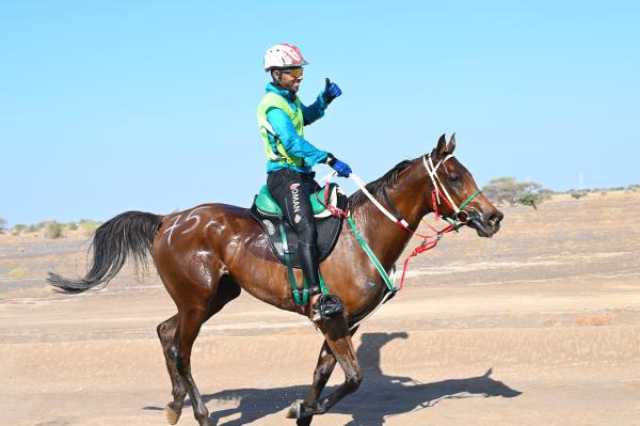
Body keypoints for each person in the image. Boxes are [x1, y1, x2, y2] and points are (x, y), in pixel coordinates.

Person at [257, 43, 352, 321]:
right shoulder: (273, 106)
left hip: (302, 175)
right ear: (276, 74)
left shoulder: (289, 99)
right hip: (284, 177)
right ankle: (315, 297)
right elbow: (292, 142)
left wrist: (324, 100)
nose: (299, 76)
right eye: (294, 71)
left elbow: (305, 117)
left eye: (300, 70)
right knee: (306, 228)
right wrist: (328, 158)